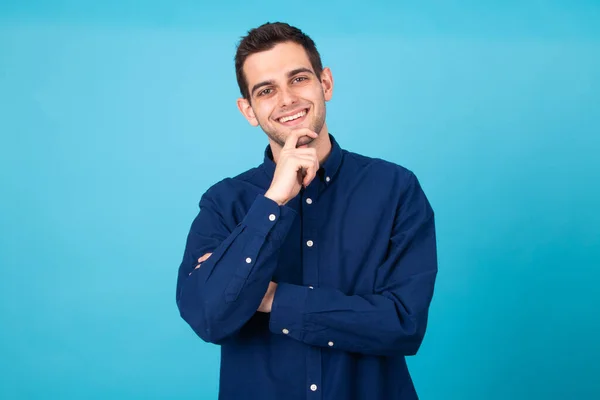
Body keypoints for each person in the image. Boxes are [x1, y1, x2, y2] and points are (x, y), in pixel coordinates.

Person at [176, 22, 438, 400]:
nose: (286, 99)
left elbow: (403, 324)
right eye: (266, 90)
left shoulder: (395, 188)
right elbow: (210, 318)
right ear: (248, 110)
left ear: (325, 83)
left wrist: (270, 298)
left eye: (298, 79)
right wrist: (273, 203)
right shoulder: (223, 203)